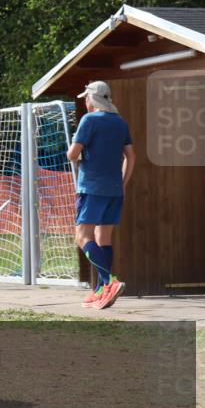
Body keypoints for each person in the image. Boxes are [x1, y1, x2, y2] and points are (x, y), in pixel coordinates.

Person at [67, 81, 135, 310]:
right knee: (103, 237)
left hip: (92, 189)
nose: (84, 102)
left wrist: (77, 151)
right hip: (115, 190)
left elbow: (72, 154)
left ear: (92, 99)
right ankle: (100, 290)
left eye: (85, 97)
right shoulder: (120, 123)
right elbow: (131, 157)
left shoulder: (89, 120)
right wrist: (123, 182)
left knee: (82, 236)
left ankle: (109, 282)